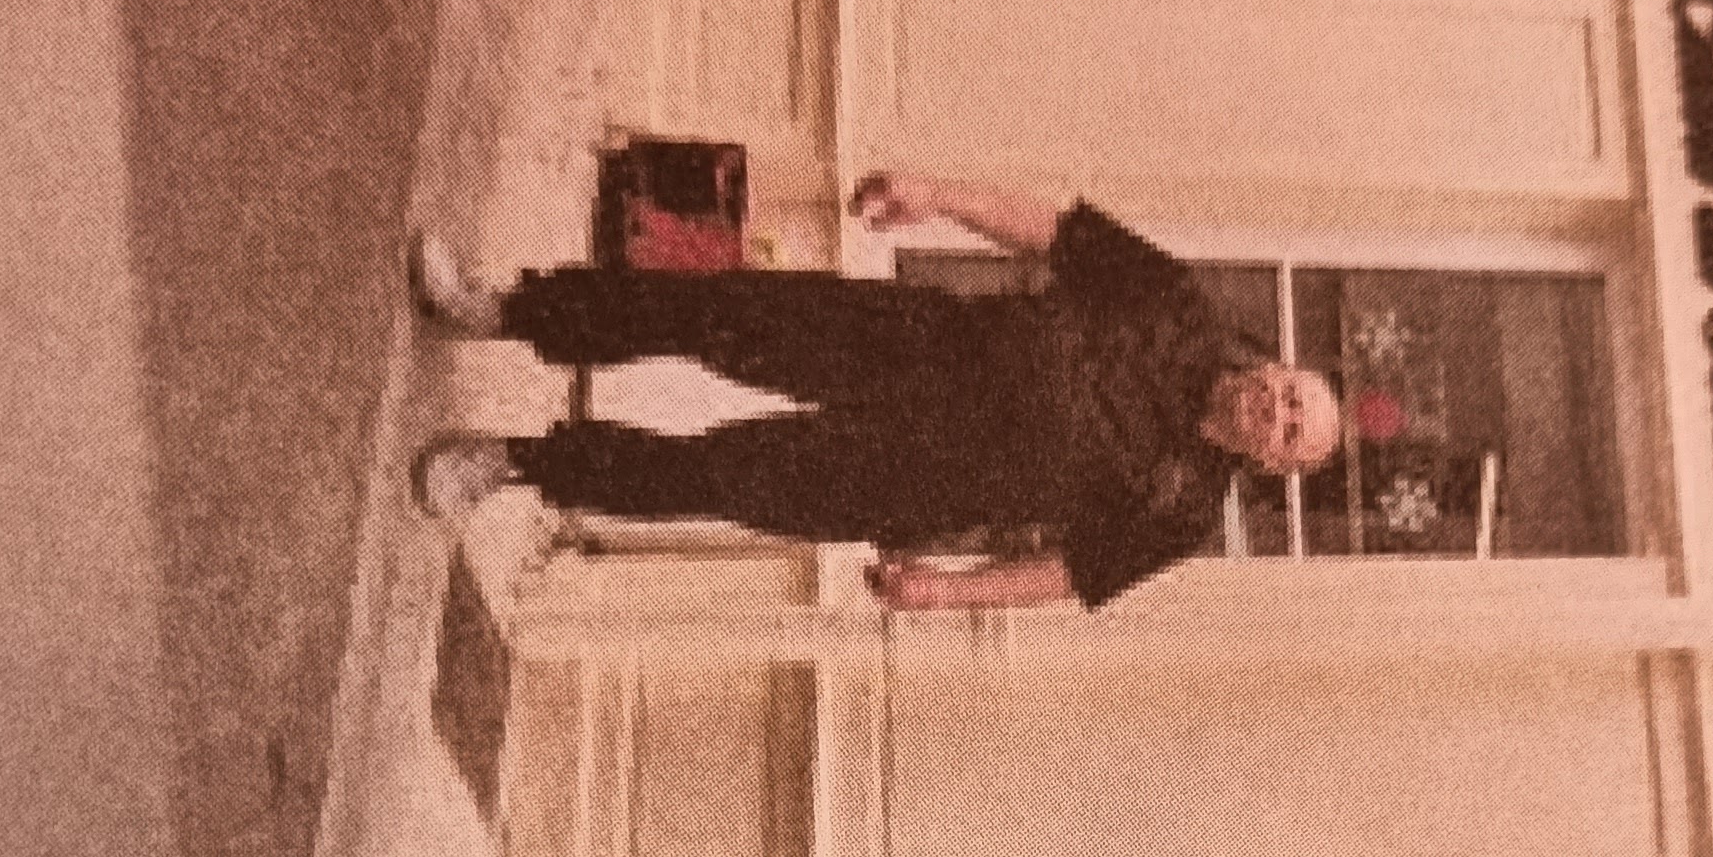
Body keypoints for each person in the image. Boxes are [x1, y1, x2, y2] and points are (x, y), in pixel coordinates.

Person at [408, 175, 1341, 611]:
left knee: (713, 475)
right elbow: (1058, 234)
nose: (1280, 412)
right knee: (712, 313)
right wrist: (941, 195)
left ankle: (513, 464)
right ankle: (502, 310)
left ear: (1274, 465)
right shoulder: (1177, 300)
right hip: (910, 342)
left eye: (1292, 431)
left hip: (911, 480)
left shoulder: (1182, 511)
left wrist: (942, 592)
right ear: (1279, 369)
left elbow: (1068, 575)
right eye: (1293, 395)